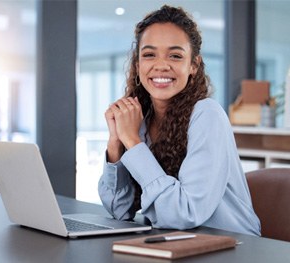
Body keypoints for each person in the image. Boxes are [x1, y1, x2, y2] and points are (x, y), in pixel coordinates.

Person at [98, 5, 261, 236]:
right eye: (149, 54)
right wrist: (116, 142)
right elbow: (119, 210)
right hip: (176, 243)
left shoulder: (208, 115)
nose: (161, 65)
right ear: (137, 65)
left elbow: (184, 213)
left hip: (231, 247)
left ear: (193, 65)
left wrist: (133, 143)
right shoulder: (141, 120)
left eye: (175, 55)